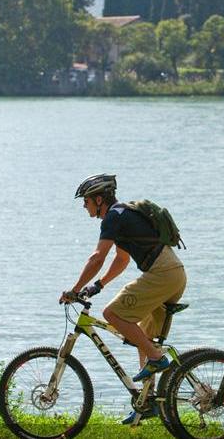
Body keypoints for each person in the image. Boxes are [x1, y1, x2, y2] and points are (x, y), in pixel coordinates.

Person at [60, 173, 187, 423]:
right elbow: (121, 259)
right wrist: (98, 285)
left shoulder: (112, 218)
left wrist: (75, 289)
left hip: (162, 274)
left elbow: (98, 257)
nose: (84, 206)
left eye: (85, 201)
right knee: (143, 337)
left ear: (99, 199)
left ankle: (157, 358)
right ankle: (146, 404)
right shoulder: (122, 215)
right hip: (173, 274)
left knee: (112, 314)